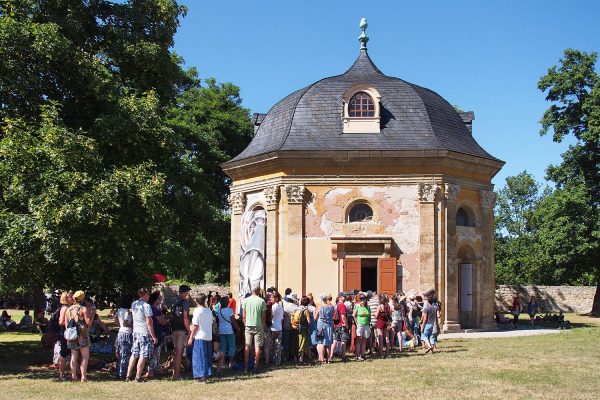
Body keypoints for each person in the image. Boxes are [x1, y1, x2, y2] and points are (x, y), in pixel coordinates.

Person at [126, 288, 158, 382]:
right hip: (144, 333)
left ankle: (128, 375)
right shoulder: (146, 306)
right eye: (148, 294)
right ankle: (138, 376)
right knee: (143, 355)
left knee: (134, 354)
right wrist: (153, 336)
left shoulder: (134, 304)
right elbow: (149, 322)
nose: (149, 296)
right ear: (144, 295)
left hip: (136, 332)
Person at [66, 290, 93, 382]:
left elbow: (67, 324)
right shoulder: (83, 309)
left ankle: (74, 377)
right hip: (83, 335)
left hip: (72, 335)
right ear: (82, 298)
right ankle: (83, 377)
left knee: (74, 356)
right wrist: (92, 313)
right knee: (85, 357)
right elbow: (88, 323)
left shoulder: (68, 309)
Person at [188, 294, 214, 384]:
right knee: (206, 357)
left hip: (200, 336)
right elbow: (211, 322)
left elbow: (195, 325)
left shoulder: (197, 311)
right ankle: (206, 375)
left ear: (196, 301)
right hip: (208, 336)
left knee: (199, 357)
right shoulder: (208, 311)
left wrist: (191, 337)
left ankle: (202, 378)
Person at [243, 286, 267, 373]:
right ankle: (255, 367)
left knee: (247, 346)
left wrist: (245, 323)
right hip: (258, 325)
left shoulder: (245, 300)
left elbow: (244, 315)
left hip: (248, 325)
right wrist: (263, 326)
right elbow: (263, 316)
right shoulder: (262, 301)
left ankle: (246, 367)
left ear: (251, 291)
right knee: (257, 347)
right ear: (258, 291)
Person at [170, 284, 191, 380]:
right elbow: (185, 318)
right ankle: (177, 375)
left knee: (175, 352)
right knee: (179, 352)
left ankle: (174, 373)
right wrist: (189, 330)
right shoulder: (185, 302)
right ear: (185, 292)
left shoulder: (174, 300)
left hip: (174, 328)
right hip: (182, 329)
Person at [147, 291, 168, 379]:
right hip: (156, 333)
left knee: (151, 353)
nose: (161, 299)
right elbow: (163, 322)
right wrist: (167, 320)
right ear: (155, 300)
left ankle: (152, 371)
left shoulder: (149, 308)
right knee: (155, 353)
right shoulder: (154, 310)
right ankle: (152, 373)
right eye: (159, 298)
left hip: (150, 333)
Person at [55, 291, 73, 380]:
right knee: (64, 353)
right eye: (70, 297)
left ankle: (69, 373)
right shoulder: (65, 308)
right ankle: (61, 375)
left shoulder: (69, 307)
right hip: (65, 333)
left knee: (70, 353)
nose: (72, 298)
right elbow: (60, 321)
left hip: (69, 332)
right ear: (65, 299)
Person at [114, 294, 133, 380]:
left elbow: (116, 319)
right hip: (127, 333)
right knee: (125, 354)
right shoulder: (127, 312)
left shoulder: (119, 310)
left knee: (121, 353)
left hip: (120, 332)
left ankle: (119, 371)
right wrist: (133, 325)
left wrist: (119, 325)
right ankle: (122, 373)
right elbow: (126, 323)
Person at [217, 296, 239, 368]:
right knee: (231, 346)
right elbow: (233, 321)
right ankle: (230, 362)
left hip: (221, 330)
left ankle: (222, 362)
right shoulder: (230, 310)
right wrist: (238, 328)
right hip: (229, 330)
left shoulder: (219, 311)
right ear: (227, 303)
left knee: (223, 346)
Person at [315, 293, 335, 365]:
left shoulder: (319, 307)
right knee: (328, 343)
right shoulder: (332, 307)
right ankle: (329, 359)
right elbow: (333, 315)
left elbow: (315, 317)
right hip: (329, 325)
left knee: (321, 342)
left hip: (321, 325)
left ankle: (322, 358)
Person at [332, 294, 349, 362]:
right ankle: (343, 356)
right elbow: (343, 316)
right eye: (343, 296)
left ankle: (330, 356)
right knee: (343, 341)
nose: (345, 297)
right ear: (340, 298)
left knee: (335, 340)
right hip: (342, 325)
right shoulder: (342, 305)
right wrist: (347, 324)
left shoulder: (336, 305)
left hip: (336, 325)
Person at [282, 293, 299, 363]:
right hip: (294, 327)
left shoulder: (285, 307)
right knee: (294, 342)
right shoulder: (297, 307)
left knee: (286, 342)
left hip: (286, 326)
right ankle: (294, 356)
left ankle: (286, 356)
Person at [353, 295, 370, 361]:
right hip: (360, 325)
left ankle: (363, 354)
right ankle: (358, 355)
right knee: (359, 340)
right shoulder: (357, 306)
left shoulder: (368, 307)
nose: (362, 301)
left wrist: (369, 322)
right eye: (361, 299)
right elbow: (354, 315)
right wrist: (356, 323)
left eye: (364, 299)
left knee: (364, 340)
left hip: (366, 325)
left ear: (366, 300)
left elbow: (369, 316)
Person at [297, 296, 312, 365]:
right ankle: (301, 359)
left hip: (296, 327)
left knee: (298, 342)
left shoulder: (298, 308)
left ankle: (296, 358)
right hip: (303, 328)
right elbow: (309, 321)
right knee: (302, 343)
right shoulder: (305, 310)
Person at [270, 291, 284, 365]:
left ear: (276, 298)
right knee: (278, 345)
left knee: (272, 345)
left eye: (272, 298)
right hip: (279, 327)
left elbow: (271, 317)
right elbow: (282, 319)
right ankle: (278, 360)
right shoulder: (281, 307)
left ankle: (273, 359)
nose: (270, 299)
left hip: (273, 328)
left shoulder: (273, 307)